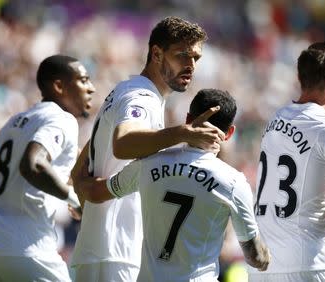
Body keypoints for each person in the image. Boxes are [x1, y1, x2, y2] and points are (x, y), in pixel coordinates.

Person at [71, 16, 225, 282]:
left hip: (98, 249)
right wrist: (182, 133)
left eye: (196, 58)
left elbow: (79, 171)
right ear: (156, 53)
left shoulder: (126, 91)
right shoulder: (141, 97)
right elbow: (123, 143)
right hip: (119, 252)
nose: (190, 65)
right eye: (182, 55)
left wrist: (90, 202)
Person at [75, 88, 270, 281]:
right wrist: (267, 258)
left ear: (187, 119)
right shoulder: (233, 182)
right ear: (229, 133)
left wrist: (79, 178)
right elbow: (255, 257)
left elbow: (97, 192)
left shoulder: (149, 163)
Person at [0, 55, 95, 282]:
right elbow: (33, 164)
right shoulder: (62, 119)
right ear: (59, 86)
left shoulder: (14, 121)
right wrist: (74, 199)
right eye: (83, 80)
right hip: (26, 246)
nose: (91, 88)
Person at [248, 42, 325, 282]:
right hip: (313, 266)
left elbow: (311, 201)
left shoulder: (274, 120)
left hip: (264, 267)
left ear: (300, 77)